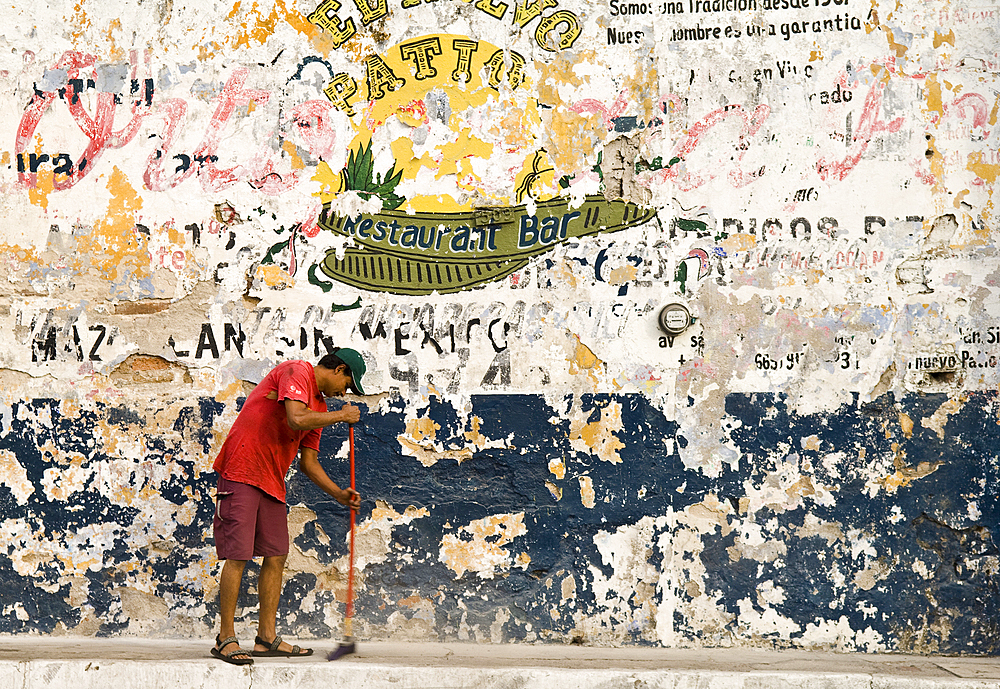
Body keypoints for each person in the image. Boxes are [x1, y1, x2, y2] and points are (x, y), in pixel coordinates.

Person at [210, 348, 367, 665]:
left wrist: (339, 494)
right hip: (242, 469)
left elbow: (309, 464)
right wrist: (342, 416)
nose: (344, 393)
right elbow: (295, 419)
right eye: (348, 384)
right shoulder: (297, 371)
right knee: (238, 555)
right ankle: (225, 638)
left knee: (277, 553)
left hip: (271, 479)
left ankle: (266, 639)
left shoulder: (319, 406)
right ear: (338, 369)